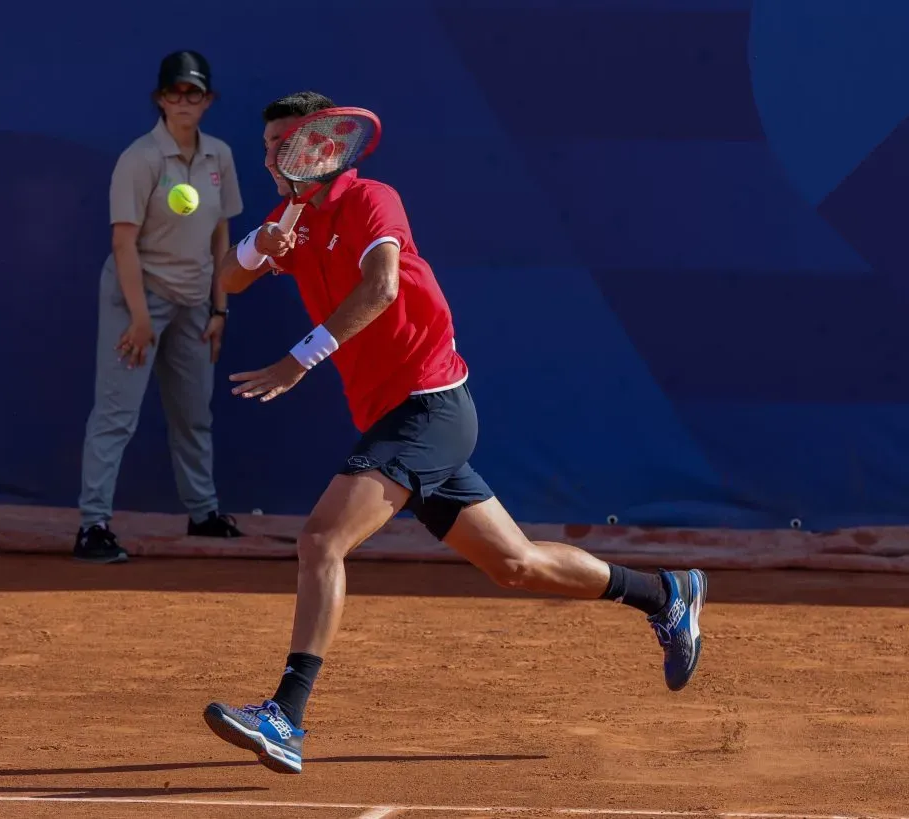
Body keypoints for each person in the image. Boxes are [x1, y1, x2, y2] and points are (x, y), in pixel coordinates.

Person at [202, 91, 708, 773]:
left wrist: (299, 359)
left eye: (283, 145)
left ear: (324, 147)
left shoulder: (370, 198)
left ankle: (285, 715)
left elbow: (381, 287)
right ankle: (665, 594)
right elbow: (228, 279)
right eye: (266, 146)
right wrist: (261, 243)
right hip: (394, 414)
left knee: (321, 537)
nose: (269, 157)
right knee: (515, 564)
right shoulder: (291, 218)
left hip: (428, 405)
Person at [74, 51, 245, 564]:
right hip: (138, 297)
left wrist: (220, 310)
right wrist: (140, 319)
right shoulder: (139, 159)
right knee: (116, 415)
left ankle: (203, 514)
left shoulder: (221, 157)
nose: (184, 101)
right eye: (175, 92)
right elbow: (123, 244)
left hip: (196, 302)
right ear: (160, 99)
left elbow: (222, 239)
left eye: (194, 93)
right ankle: (93, 525)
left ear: (208, 100)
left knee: (194, 415)